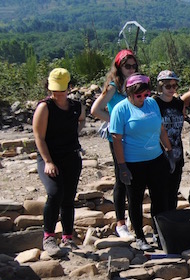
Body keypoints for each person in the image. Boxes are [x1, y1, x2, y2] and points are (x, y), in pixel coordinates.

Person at [109, 74, 176, 251]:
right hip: (133, 162)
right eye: (138, 96)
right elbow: (116, 139)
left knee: (159, 198)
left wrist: (169, 151)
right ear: (129, 93)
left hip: (155, 158)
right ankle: (139, 235)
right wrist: (122, 166)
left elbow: (161, 129)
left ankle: (158, 232)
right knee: (135, 199)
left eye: (145, 95)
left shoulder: (152, 104)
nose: (142, 99)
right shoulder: (121, 109)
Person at [33, 68, 85, 258]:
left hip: (71, 156)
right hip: (50, 156)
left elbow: (81, 120)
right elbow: (38, 136)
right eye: (54, 89)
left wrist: (74, 132)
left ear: (69, 88)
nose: (57, 93)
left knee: (69, 197)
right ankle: (48, 236)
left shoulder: (76, 106)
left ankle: (68, 236)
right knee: (55, 192)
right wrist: (47, 161)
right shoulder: (45, 107)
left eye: (61, 89)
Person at [91, 49, 139, 239]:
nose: (131, 69)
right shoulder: (114, 86)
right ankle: (120, 223)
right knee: (121, 177)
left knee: (135, 177)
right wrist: (115, 121)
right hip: (118, 138)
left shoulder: (135, 84)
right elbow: (96, 109)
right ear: (119, 67)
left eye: (134, 66)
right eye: (128, 66)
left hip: (133, 137)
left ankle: (131, 218)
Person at [154, 70, 185, 210]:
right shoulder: (154, 103)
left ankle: (172, 224)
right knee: (160, 191)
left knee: (173, 191)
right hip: (160, 154)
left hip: (178, 151)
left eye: (174, 86)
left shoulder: (179, 103)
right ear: (161, 87)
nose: (172, 89)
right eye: (168, 86)